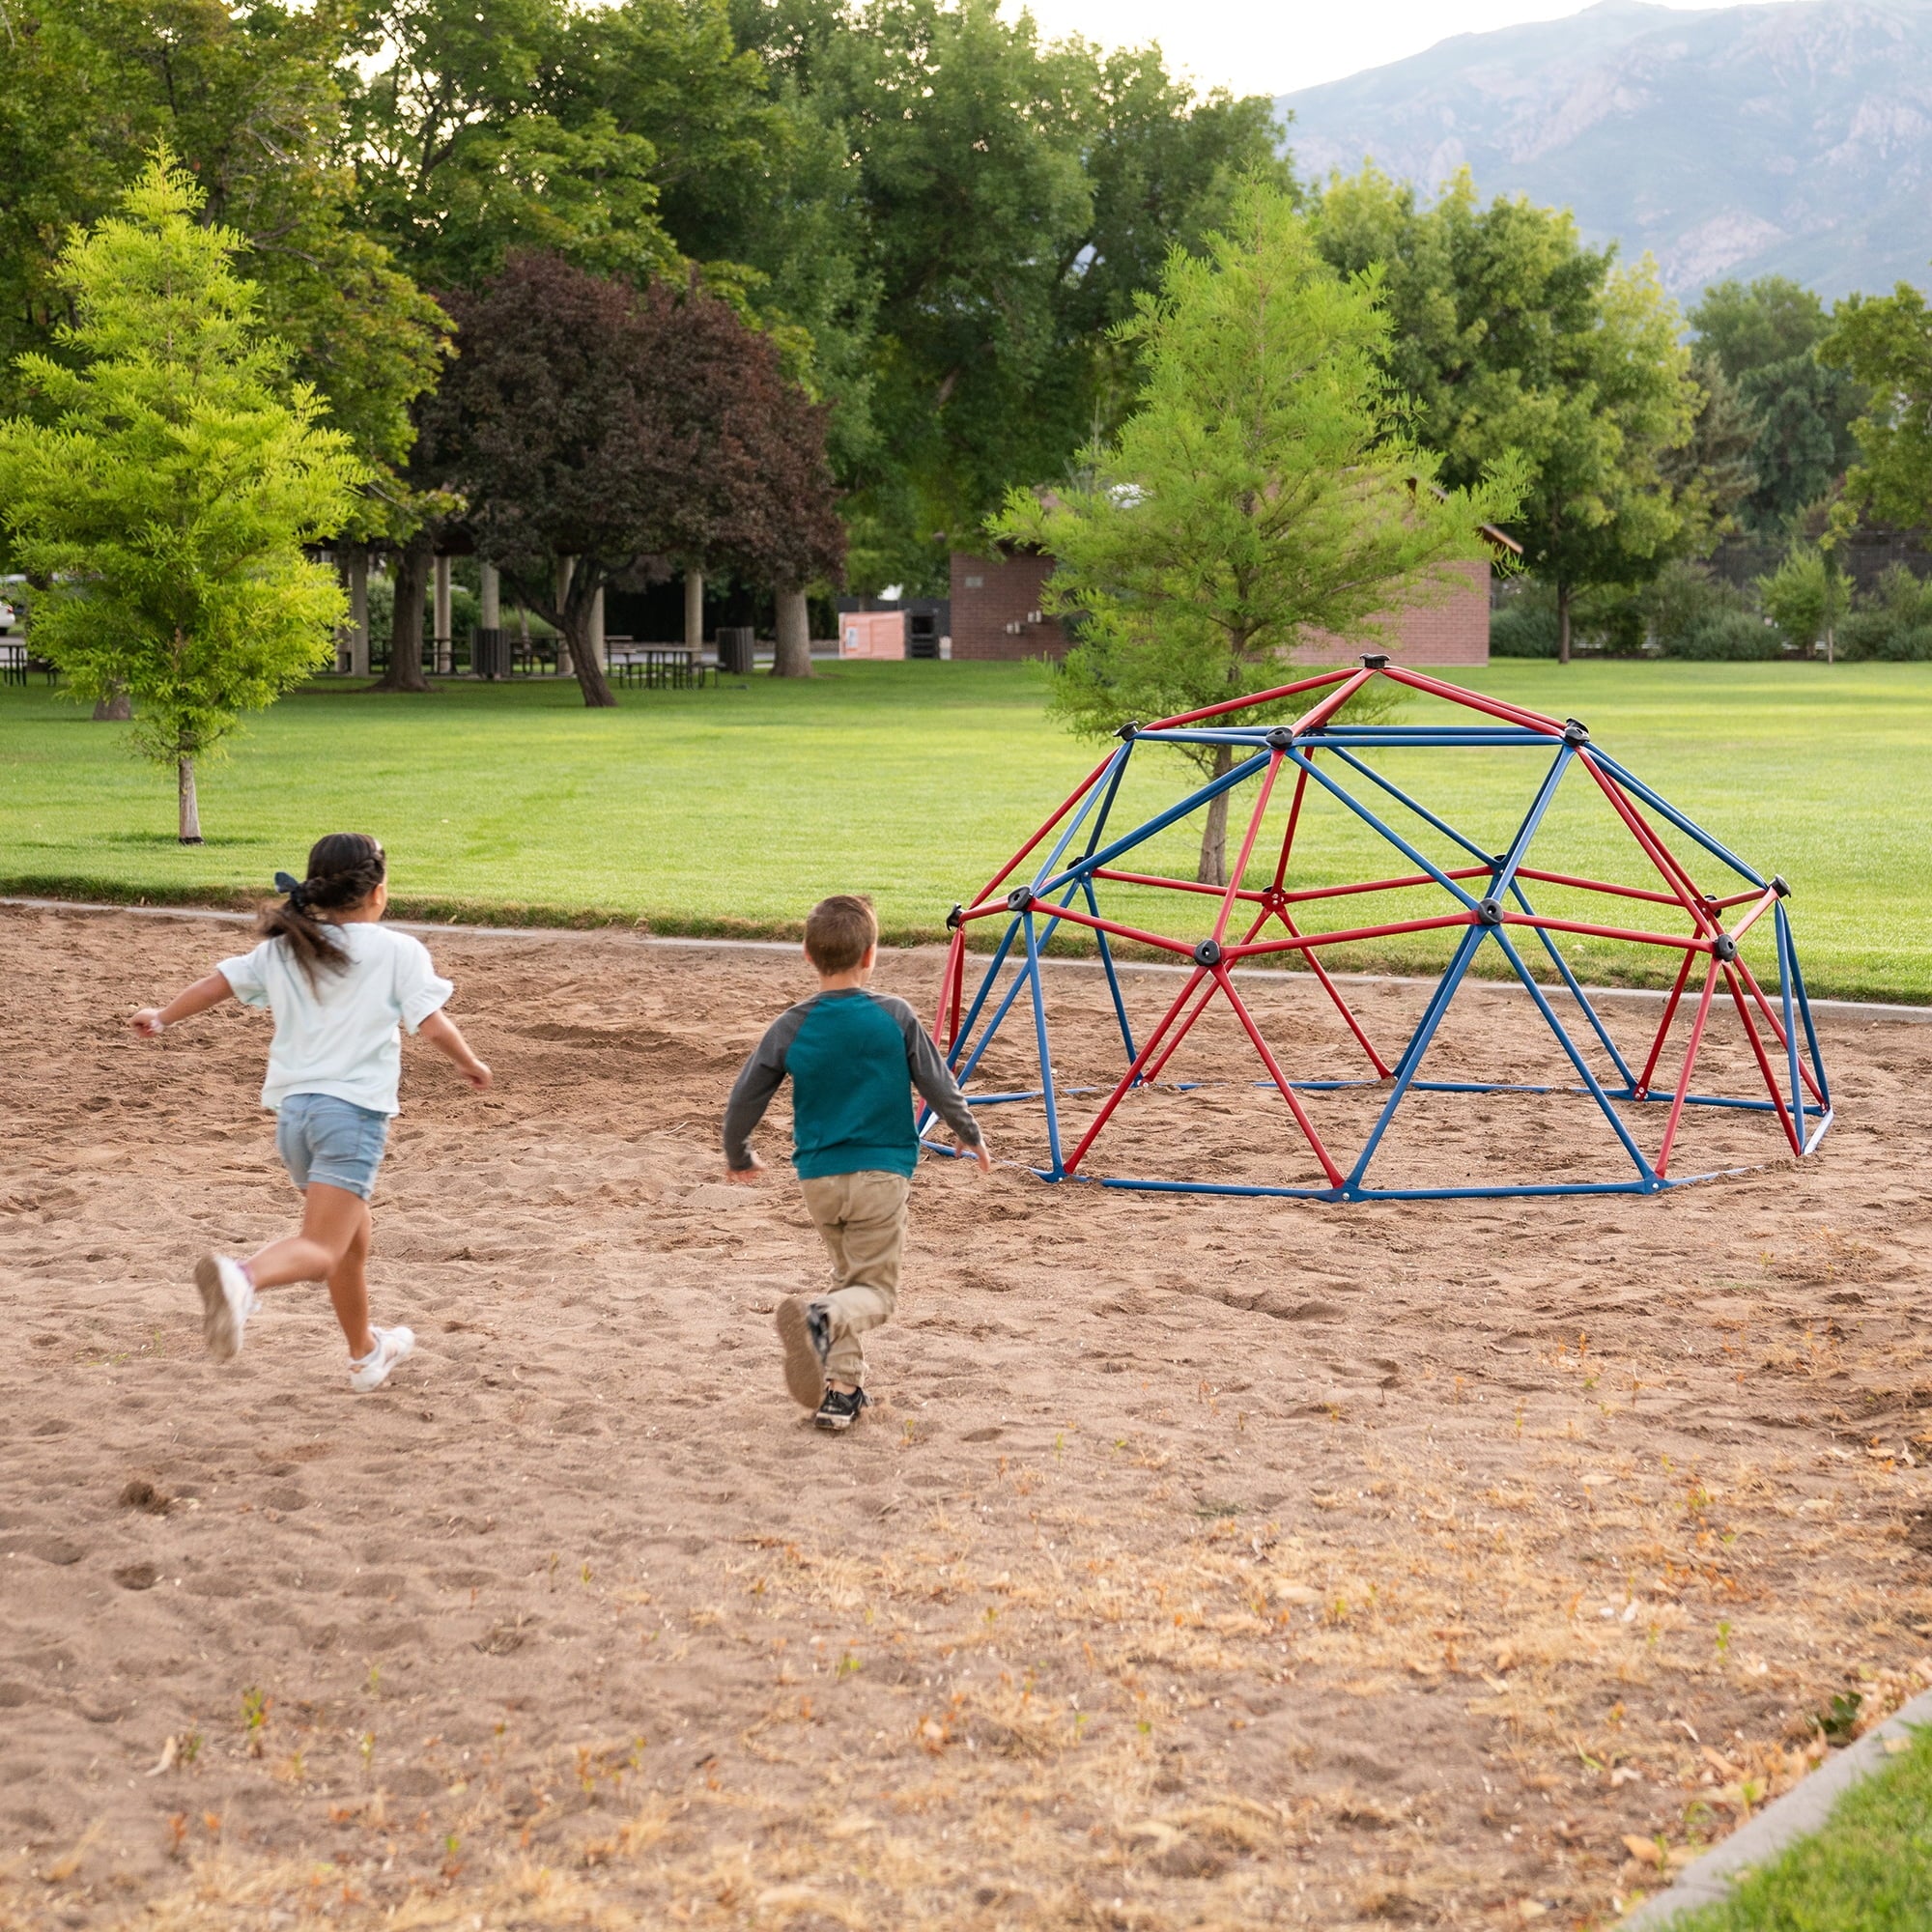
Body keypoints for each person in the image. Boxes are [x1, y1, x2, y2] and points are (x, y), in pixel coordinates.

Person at [128, 833, 491, 1391]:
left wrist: (162, 1016)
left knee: (349, 1245)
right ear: (378, 892)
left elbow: (215, 985)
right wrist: (469, 1062)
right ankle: (242, 1279)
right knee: (322, 1249)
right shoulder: (397, 951)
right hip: (351, 1117)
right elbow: (431, 1023)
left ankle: (365, 1352)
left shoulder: (287, 946)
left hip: (295, 1117)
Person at [724, 895, 988, 1431]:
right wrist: (968, 1132)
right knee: (876, 1296)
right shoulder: (894, 1016)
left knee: (849, 1275)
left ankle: (842, 1393)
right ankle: (819, 1320)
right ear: (871, 955)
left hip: (818, 1181)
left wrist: (738, 1151)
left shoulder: (791, 1026)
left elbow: (746, 1094)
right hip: (880, 1175)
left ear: (805, 954)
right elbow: (937, 1081)